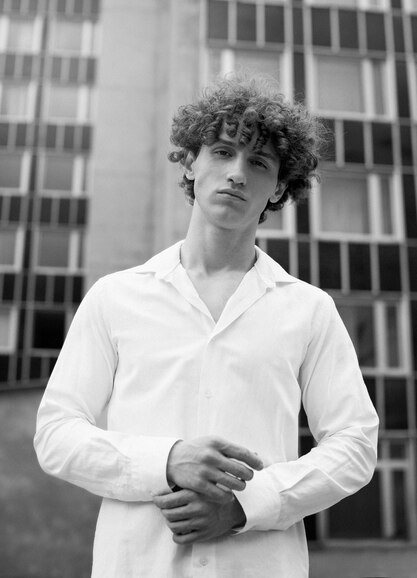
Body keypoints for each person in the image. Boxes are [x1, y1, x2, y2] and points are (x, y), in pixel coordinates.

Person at [34, 74, 379, 578]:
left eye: (258, 162)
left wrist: (248, 505)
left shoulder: (310, 309)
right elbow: (56, 434)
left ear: (279, 186)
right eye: (222, 151)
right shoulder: (115, 297)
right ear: (192, 161)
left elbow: (354, 443)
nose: (237, 173)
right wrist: (167, 461)